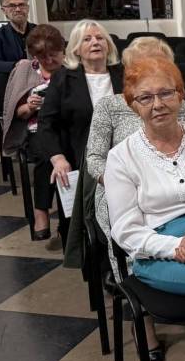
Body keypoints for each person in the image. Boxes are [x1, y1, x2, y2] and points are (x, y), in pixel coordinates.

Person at [106, 57, 185, 361]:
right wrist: (176, 247)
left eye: (166, 93)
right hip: (157, 249)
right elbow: (125, 230)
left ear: (180, 95)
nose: (158, 104)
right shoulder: (121, 157)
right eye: (146, 98)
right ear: (133, 105)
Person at [86, 37, 185, 246]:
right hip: (123, 191)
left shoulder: (181, 106)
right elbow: (94, 158)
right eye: (145, 66)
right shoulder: (108, 107)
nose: (154, 71)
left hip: (175, 187)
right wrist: (120, 183)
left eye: (160, 65)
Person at [36, 20, 123, 248]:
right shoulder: (63, 78)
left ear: (108, 45)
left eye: (100, 38)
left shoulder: (123, 75)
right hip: (79, 159)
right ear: (76, 49)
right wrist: (58, 158)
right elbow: (46, 123)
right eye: (87, 39)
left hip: (121, 156)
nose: (95, 42)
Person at [1, 24, 65, 242]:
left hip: (68, 127)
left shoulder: (73, 70)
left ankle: (69, 219)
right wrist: (30, 106)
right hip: (36, 128)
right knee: (49, 155)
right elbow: (16, 113)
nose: (49, 60)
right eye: (42, 56)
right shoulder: (26, 70)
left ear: (62, 49)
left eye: (53, 54)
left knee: (77, 153)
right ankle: (41, 210)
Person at [0, 0, 36, 106]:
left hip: (38, 81)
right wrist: (17, 65)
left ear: (27, 8)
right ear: (4, 10)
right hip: (9, 85)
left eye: (21, 5)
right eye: (12, 6)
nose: (18, 9)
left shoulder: (39, 31)